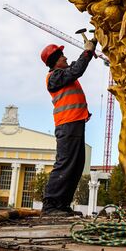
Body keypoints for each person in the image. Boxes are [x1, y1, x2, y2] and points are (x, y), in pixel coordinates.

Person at [40, 38, 96, 216]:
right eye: (61, 56)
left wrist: (91, 49)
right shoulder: (55, 76)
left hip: (74, 124)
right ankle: (51, 205)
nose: (65, 58)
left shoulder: (63, 74)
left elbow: (75, 68)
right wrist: (86, 52)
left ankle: (62, 205)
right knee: (65, 164)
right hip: (67, 125)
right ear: (54, 61)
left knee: (77, 164)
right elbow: (77, 69)